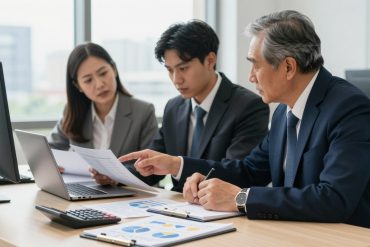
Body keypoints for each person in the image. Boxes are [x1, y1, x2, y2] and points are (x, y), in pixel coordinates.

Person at [119, 10, 370, 228]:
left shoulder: (348, 108)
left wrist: (241, 199)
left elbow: (334, 199)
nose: (251, 77)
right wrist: (178, 165)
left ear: (288, 67)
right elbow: (250, 170)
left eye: (256, 65)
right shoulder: (285, 111)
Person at [93, 20, 269, 191]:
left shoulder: (248, 106)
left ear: (210, 60)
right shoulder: (174, 107)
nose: (176, 79)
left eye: (183, 68)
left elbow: (240, 174)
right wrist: (115, 176)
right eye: (170, 70)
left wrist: (177, 165)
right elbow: (152, 166)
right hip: (179, 211)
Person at [48, 42, 158, 174]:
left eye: (103, 73)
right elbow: (50, 151)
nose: (99, 84)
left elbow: (152, 168)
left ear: (114, 69)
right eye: (88, 80)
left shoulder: (143, 112)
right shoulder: (74, 112)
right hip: (84, 191)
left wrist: (114, 177)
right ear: (78, 86)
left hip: (129, 193)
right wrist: (52, 164)